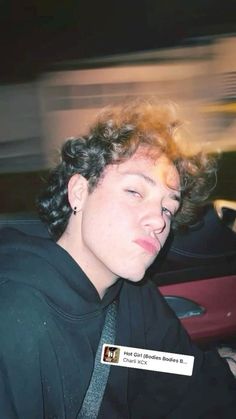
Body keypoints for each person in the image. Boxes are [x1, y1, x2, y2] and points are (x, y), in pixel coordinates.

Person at [0, 100, 235, 419]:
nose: (159, 221)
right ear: (79, 192)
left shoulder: (134, 296)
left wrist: (226, 369)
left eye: (168, 207)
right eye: (135, 192)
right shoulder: (16, 319)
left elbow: (169, 368)